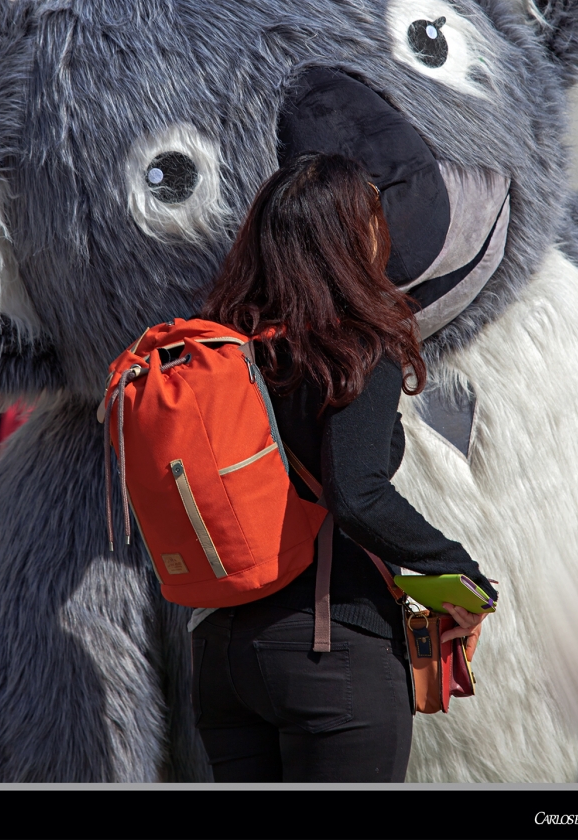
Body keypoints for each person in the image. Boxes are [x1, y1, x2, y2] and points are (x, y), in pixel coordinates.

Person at [193, 152, 498, 783]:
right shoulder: (354, 347)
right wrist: (457, 570)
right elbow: (355, 494)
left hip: (223, 654)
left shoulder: (229, 349)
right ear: (351, 241)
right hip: (328, 649)